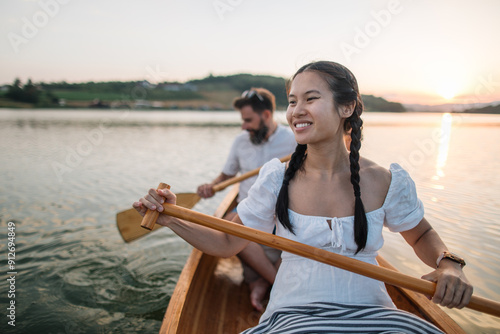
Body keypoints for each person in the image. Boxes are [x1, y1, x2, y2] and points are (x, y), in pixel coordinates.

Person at [134, 61, 473, 333]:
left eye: (310, 99)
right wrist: (171, 217)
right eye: (292, 101)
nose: (296, 110)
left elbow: (423, 235)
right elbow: (225, 242)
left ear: (347, 107)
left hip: (375, 316)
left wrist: (449, 265)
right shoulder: (276, 179)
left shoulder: (384, 180)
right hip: (293, 315)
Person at [196, 87, 296, 311]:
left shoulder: (293, 141)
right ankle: (278, 285)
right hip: (248, 211)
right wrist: (211, 186)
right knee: (233, 225)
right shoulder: (241, 141)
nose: (243, 126)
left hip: (282, 213)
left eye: (248, 120)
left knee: (302, 232)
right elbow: (226, 175)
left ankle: (261, 281)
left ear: (267, 115)